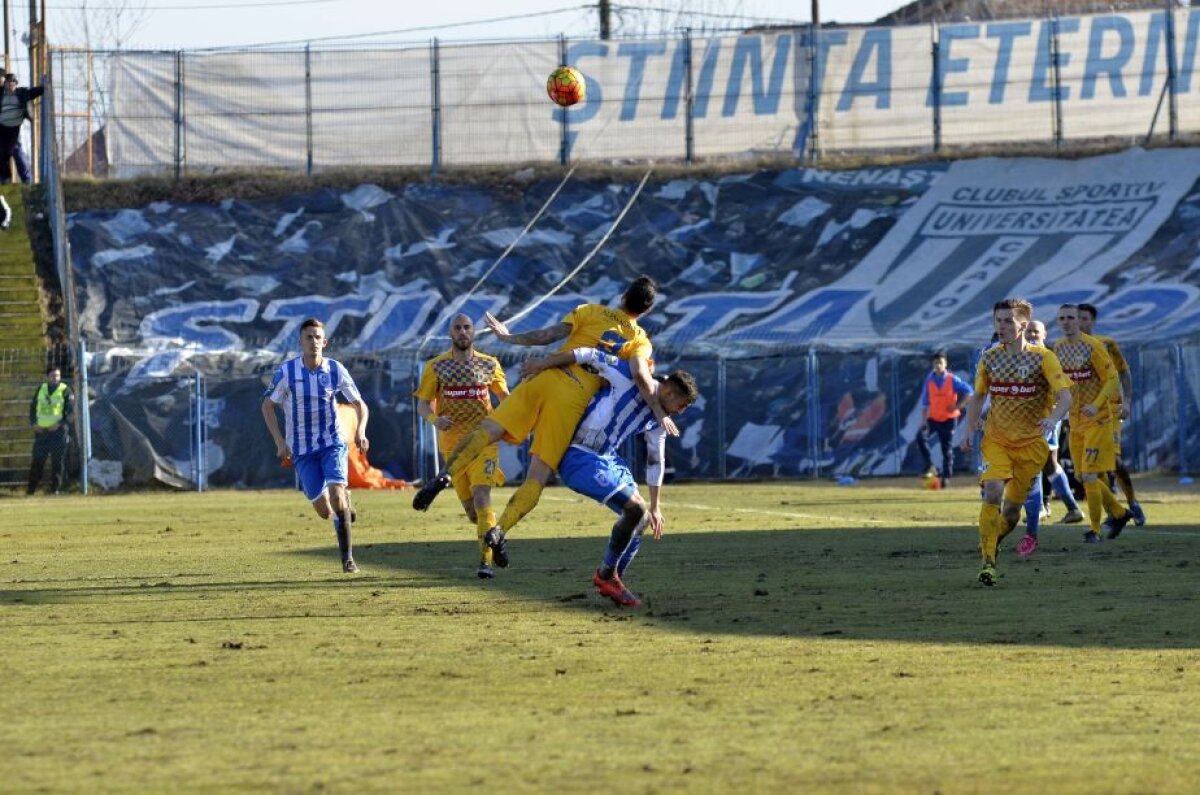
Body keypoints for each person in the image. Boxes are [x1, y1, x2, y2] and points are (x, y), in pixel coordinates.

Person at [411, 275, 678, 569]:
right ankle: (499, 531)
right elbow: (640, 376)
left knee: (486, 430)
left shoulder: (589, 310)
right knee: (537, 475)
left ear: (624, 296)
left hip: (544, 377)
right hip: (571, 401)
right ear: (647, 309)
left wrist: (509, 337)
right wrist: (660, 412)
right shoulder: (640, 340)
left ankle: (443, 476)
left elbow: (547, 336)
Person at [521, 347, 699, 606]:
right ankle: (606, 576)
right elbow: (588, 353)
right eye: (681, 405)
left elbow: (655, 459)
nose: (680, 412)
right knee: (634, 509)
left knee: (643, 519)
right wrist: (543, 364)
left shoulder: (661, 419)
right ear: (669, 391)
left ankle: (613, 579)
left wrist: (657, 506)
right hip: (578, 454)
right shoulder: (631, 376)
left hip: (606, 457)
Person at [961, 299, 1072, 586]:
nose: (1001, 326)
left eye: (1008, 321)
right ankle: (988, 563)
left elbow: (1066, 397)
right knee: (992, 492)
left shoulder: (1043, 358)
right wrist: (968, 429)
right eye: (998, 321)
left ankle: (992, 540)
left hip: (1031, 445)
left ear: (1023, 325)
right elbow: (978, 397)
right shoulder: (989, 357)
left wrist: (1053, 418)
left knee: (1010, 513)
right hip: (996, 439)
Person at [261, 317, 369, 573]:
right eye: (308, 337)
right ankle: (342, 507)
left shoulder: (335, 370)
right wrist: (280, 442)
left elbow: (359, 403)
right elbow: (267, 406)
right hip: (302, 451)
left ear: (325, 341)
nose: (313, 342)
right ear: (300, 342)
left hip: (332, 443)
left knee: (336, 494)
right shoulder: (287, 372)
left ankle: (348, 559)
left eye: (317, 337)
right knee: (323, 510)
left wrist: (361, 431)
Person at [414, 313, 510, 579]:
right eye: (457, 328)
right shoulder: (436, 366)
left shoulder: (489, 364)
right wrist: (435, 419)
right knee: (472, 513)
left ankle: (486, 562)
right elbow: (422, 404)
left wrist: (507, 423)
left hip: (484, 442)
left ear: (474, 332)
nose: (463, 332)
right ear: (450, 334)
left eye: (467, 327)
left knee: (482, 496)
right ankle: (496, 538)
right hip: (453, 447)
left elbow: (506, 398)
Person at [1054, 304, 1133, 543]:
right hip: (1076, 421)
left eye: (1071, 318)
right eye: (1062, 318)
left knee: (1089, 476)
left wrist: (1097, 404)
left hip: (1098, 419)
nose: (1066, 322)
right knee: (1080, 475)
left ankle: (1095, 530)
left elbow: (1112, 379)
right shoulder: (1058, 348)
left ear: (1080, 320)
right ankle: (1119, 513)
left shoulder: (1094, 346)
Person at [1077, 303, 1145, 528]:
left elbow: (1124, 372)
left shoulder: (1106, 344)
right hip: (1083, 416)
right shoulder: (1068, 350)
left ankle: (1132, 502)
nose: (1080, 322)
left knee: (1113, 461)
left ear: (1093, 321)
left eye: (1084, 318)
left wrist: (1127, 401)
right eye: (1077, 318)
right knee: (1089, 470)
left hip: (1110, 412)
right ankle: (1114, 512)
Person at [914, 351, 973, 488]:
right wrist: (923, 421)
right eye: (935, 363)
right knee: (920, 437)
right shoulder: (929, 380)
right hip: (933, 418)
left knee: (946, 449)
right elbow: (925, 402)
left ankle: (946, 477)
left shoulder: (952, 379)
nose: (938, 365)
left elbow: (969, 391)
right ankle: (930, 466)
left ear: (945, 364)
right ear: (932, 365)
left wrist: (958, 405)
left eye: (940, 362)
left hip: (948, 420)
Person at [27, 365, 74, 495]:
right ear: (47, 377)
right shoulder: (41, 389)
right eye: (53, 376)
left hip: (58, 432)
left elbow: (70, 413)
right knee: (38, 460)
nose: (55, 378)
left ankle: (55, 490)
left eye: (57, 376)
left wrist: (60, 424)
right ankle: (31, 490)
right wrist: (33, 423)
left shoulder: (65, 390)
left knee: (57, 461)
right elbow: (33, 408)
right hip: (41, 432)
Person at [0, 74, 43, 184]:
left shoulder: (20, 93)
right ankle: (5, 180)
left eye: (12, 83)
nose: (10, 85)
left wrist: (42, 88)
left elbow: (31, 93)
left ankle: (26, 179)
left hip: (13, 130)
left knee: (16, 150)